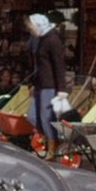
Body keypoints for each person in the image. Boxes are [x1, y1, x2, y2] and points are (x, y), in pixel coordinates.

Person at [25, 13, 68, 160]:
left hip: (49, 85)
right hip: (39, 84)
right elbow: (36, 64)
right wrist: (31, 83)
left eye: (31, 27)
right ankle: (46, 140)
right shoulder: (40, 39)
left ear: (39, 25)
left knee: (46, 117)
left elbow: (59, 65)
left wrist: (62, 88)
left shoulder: (52, 40)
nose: (30, 31)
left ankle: (52, 147)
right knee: (32, 116)